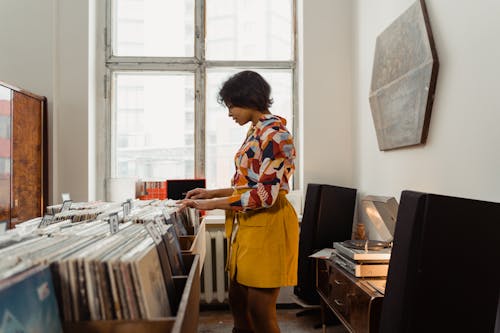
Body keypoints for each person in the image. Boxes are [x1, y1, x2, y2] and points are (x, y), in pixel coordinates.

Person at [179, 70, 299, 333]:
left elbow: (265, 196)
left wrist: (209, 206)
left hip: (267, 225)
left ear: (250, 99)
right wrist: (210, 194)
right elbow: (249, 185)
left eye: (232, 105)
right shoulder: (255, 131)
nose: (230, 112)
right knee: (237, 300)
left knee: (259, 311)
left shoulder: (277, 135)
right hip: (247, 225)